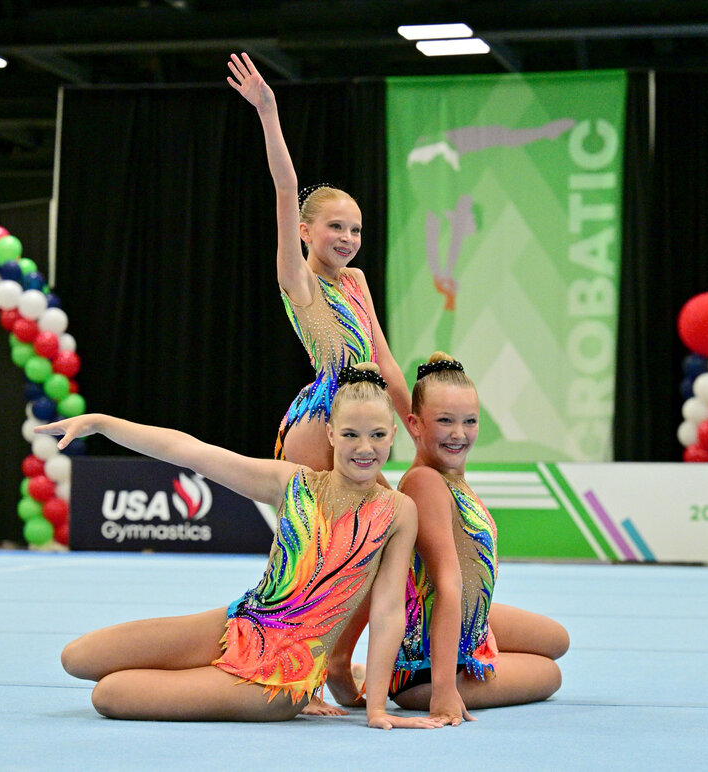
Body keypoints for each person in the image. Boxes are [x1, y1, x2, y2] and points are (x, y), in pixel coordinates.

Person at [34, 364, 440, 729]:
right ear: (331, 433)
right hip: (239, 625)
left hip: (279, 680)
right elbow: (191, 452)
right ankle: (217, 671)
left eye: (377, 435)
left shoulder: (398, 511)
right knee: (78, 657)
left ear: (392, 437)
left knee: (110, 694)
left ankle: (246, 684)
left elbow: (387, 611)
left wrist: (378, 709)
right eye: (350, 434)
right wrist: (103, 424)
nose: (364, 447)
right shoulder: (291, 483)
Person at [327, 352, 569, 725]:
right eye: (445, 421)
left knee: (556, 640)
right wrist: (443, 690)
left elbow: (391, 372)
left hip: (463, 629)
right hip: (422, 671)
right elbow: (447, 584)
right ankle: (404, 671)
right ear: (414, 425)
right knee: (550, 674)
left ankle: (366, 665)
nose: (459, 433)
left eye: (469, 421)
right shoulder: (426, 482)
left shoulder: (447, 472)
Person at [227, 52, 410, 471]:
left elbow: (384, 360)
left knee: (388, 519)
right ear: (305, 232)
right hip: (323, 415)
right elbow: (287, 188)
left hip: (361, 409)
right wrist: (267, 111)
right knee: (333, 528)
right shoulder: (299, 281)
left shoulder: (356, 280)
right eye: (336, 227)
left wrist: (413, 425)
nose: (348, 239)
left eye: (356, 230)